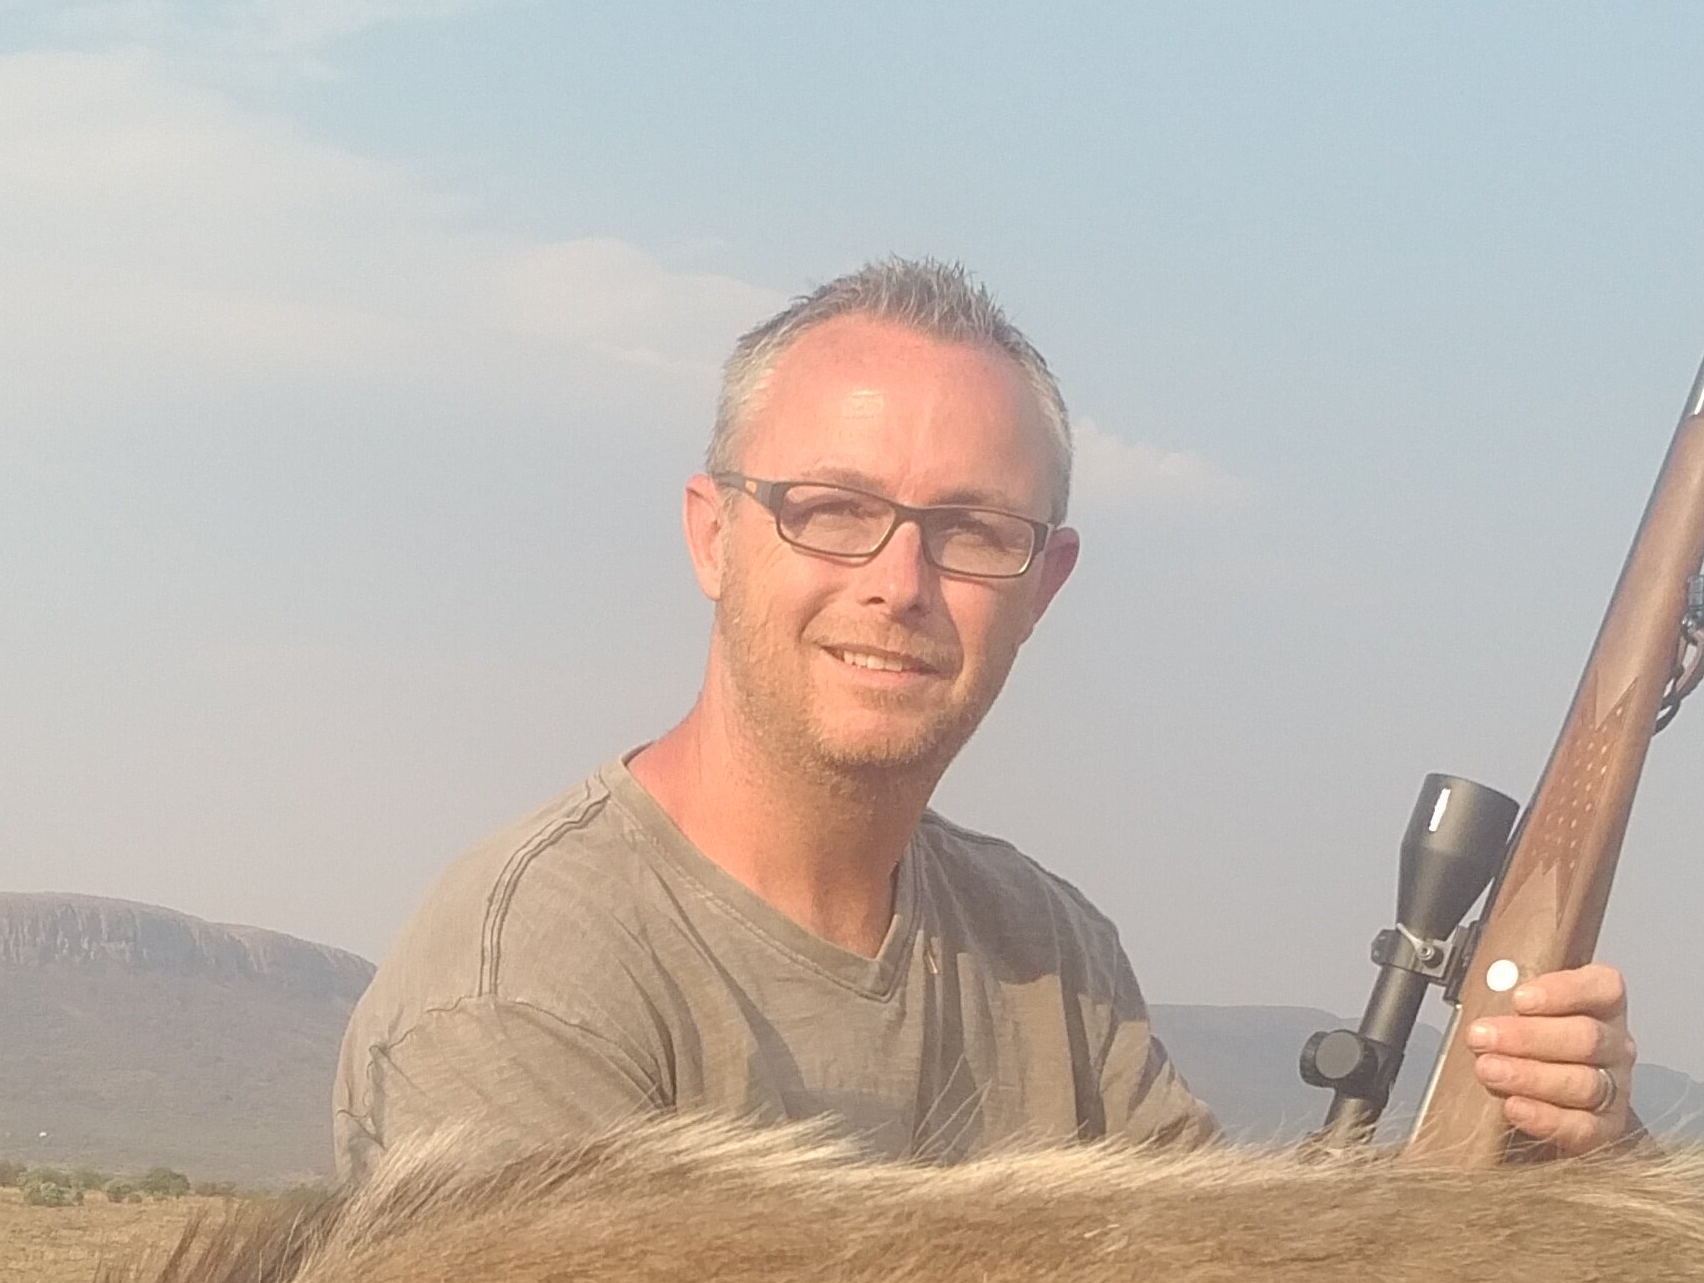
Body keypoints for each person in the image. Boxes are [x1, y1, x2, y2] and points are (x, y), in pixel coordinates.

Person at [331, 257, 1638, 1178]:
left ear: (1043, 585)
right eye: (832, 511)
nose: (898, 585)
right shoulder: (529, 985)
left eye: (971, 532)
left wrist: (1553, 1136)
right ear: (713, 535)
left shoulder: (1048, 954)